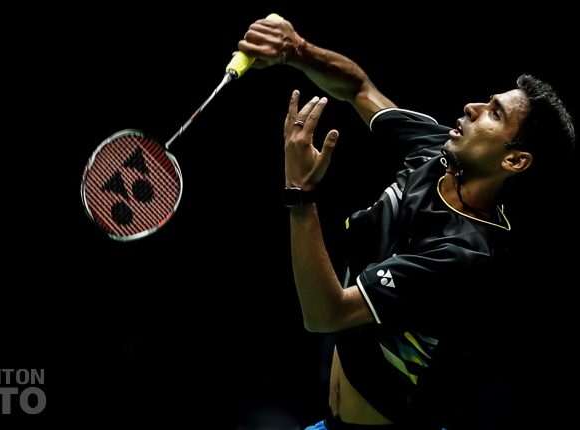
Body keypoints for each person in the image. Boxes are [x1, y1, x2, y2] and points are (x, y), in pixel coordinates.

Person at [236, 16, 575, 429]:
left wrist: (300, 193)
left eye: (494, 114)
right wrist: (298, 49)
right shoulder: (434, 153)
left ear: (514, 160)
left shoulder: (465, 254)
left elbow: (325, 314)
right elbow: (359, 88)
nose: (471, 107)